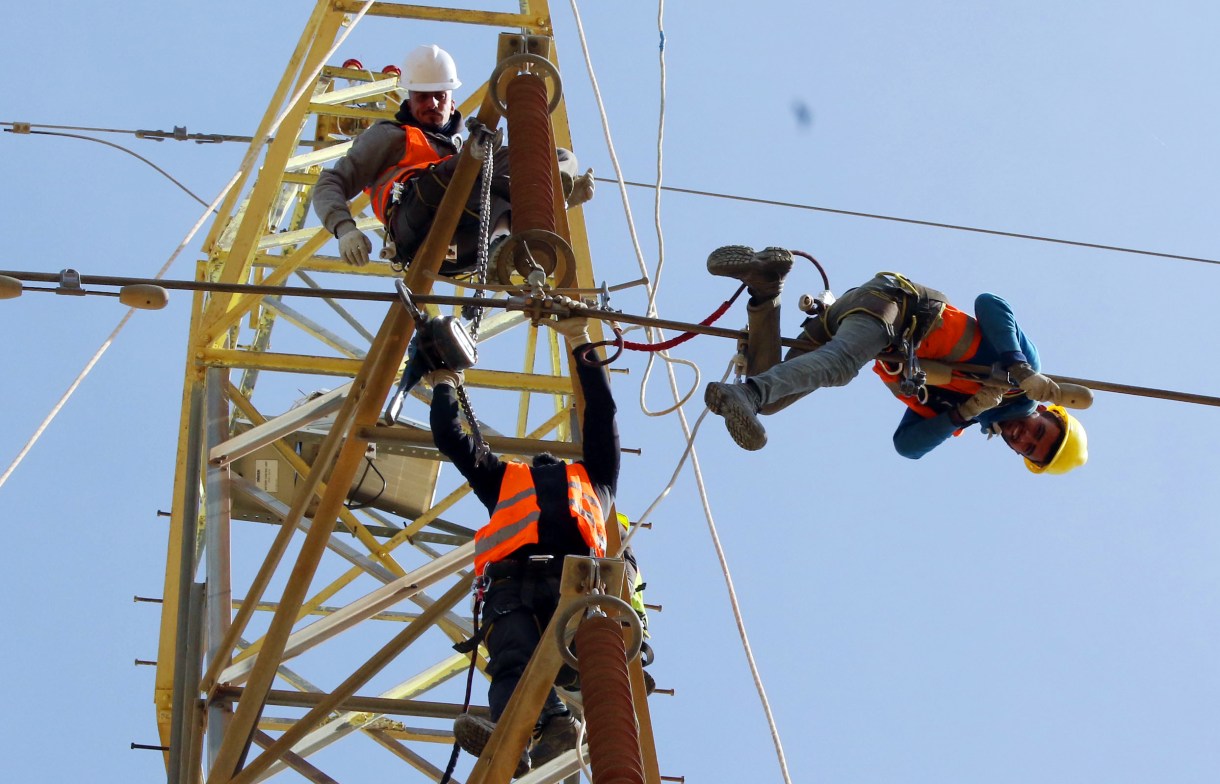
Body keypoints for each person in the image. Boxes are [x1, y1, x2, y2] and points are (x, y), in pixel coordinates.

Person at [702, 245, 1088, 474]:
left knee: (773, 396)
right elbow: (990, 303)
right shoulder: (1022, 376)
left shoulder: (966, 411)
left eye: (1029, 448)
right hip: (897, 308)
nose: (1025, 437)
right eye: (1039, 432)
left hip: (849, 318)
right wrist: (1020, 367)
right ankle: (748, 395)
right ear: (1049, 413)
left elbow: (908, 446)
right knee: (837, 367)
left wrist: (966, 411)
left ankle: (766, 286)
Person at [428, 312, 617, 775]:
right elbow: (455, 440)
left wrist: (444, 385)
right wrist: (445, 385)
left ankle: (535, 723)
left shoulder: (578, 479)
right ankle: (533, 728)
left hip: (562, 588)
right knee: (512, 664)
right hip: (524, 587)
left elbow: (453, 441)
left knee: (515, 661)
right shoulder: (578, 478)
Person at [312, 44, 593, 275]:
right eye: (423, 97)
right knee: (471, 168)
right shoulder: (391, 135)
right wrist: (344, 228)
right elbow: (330, 182)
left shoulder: (465, 150)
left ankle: (522, 233)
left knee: (553, 157)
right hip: (417, 220)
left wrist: (556, 188)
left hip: (468, 248)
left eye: (439, 96)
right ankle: (533, 209)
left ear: (452, 103)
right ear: (409, 101)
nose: (432, 104)